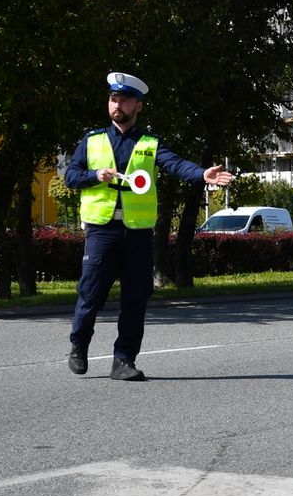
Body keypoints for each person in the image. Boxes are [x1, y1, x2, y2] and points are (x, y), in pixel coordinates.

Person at [65, 72, 234, 381]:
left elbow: (176, 164)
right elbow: (70, 176)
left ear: (137, 106)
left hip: (138, 234)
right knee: (90, 294)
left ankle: (123, 361)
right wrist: (94, 176)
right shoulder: (91, 141)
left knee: (135, 298)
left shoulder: (149, 143)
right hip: (101, 230)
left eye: (124, 100)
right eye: (113, 99)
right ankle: (78, 345)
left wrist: (201, 174)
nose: (117, 105)